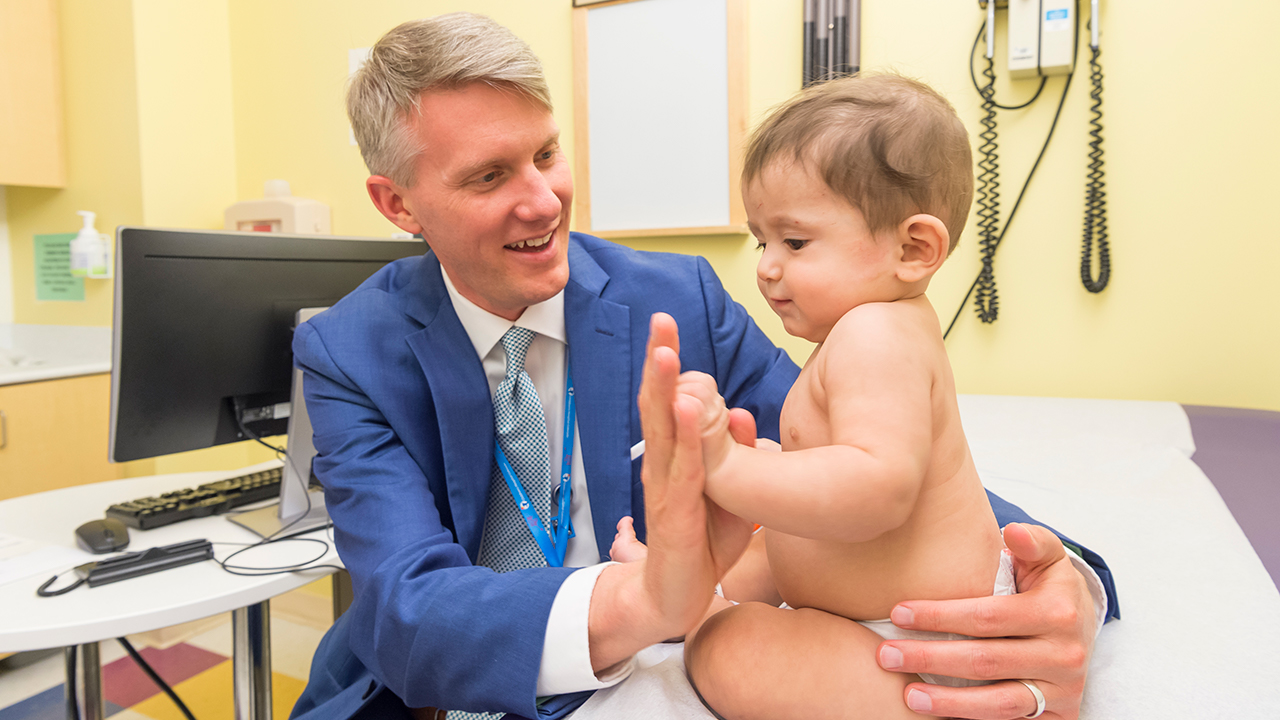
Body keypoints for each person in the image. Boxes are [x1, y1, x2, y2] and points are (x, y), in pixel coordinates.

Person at [289, 13, 1117, 720]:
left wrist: (1059, 578)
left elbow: (876, 458)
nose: (543, 201)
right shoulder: (348, 350)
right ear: (397, 204)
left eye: (545, 154)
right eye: (488, 176)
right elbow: (407, 608)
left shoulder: (680, 295)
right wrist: (641, 603)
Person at [608, 73, 1032, 719]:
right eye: (762, 240)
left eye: (795, 241)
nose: (767, 267)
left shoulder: (873, 334)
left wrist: (729, 466)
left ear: (914, 248)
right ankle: (692, 597)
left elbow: (877, 488)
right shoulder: (866, 334)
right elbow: (809, 526)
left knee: (729, 646)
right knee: (742, 589)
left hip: (922, 648)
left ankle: (707, 615)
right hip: (892, 630)